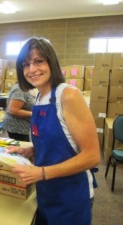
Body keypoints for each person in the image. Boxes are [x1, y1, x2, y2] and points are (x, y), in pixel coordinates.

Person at [6, 37, 100, 225]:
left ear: (51, 62)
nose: (31, 69)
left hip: (71, 195)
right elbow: (56, 142)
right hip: (46, 191)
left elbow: (92, 156)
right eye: (26, 64)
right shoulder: (40, 96)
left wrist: (41, 173)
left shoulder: (69, 96)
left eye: (39, 61)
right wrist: (31, 150)